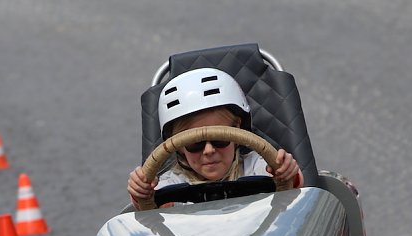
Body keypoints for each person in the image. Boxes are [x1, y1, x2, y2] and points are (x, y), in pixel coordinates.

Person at [128, 68, 303, 210]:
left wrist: (286, 174)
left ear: (237, 131)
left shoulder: (259, 168)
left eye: (220, 139)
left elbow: (293, 193)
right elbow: (149, 219)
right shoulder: (168, 186)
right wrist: (142, 192)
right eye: (195, 143)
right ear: (178, 145)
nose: (209, 150)